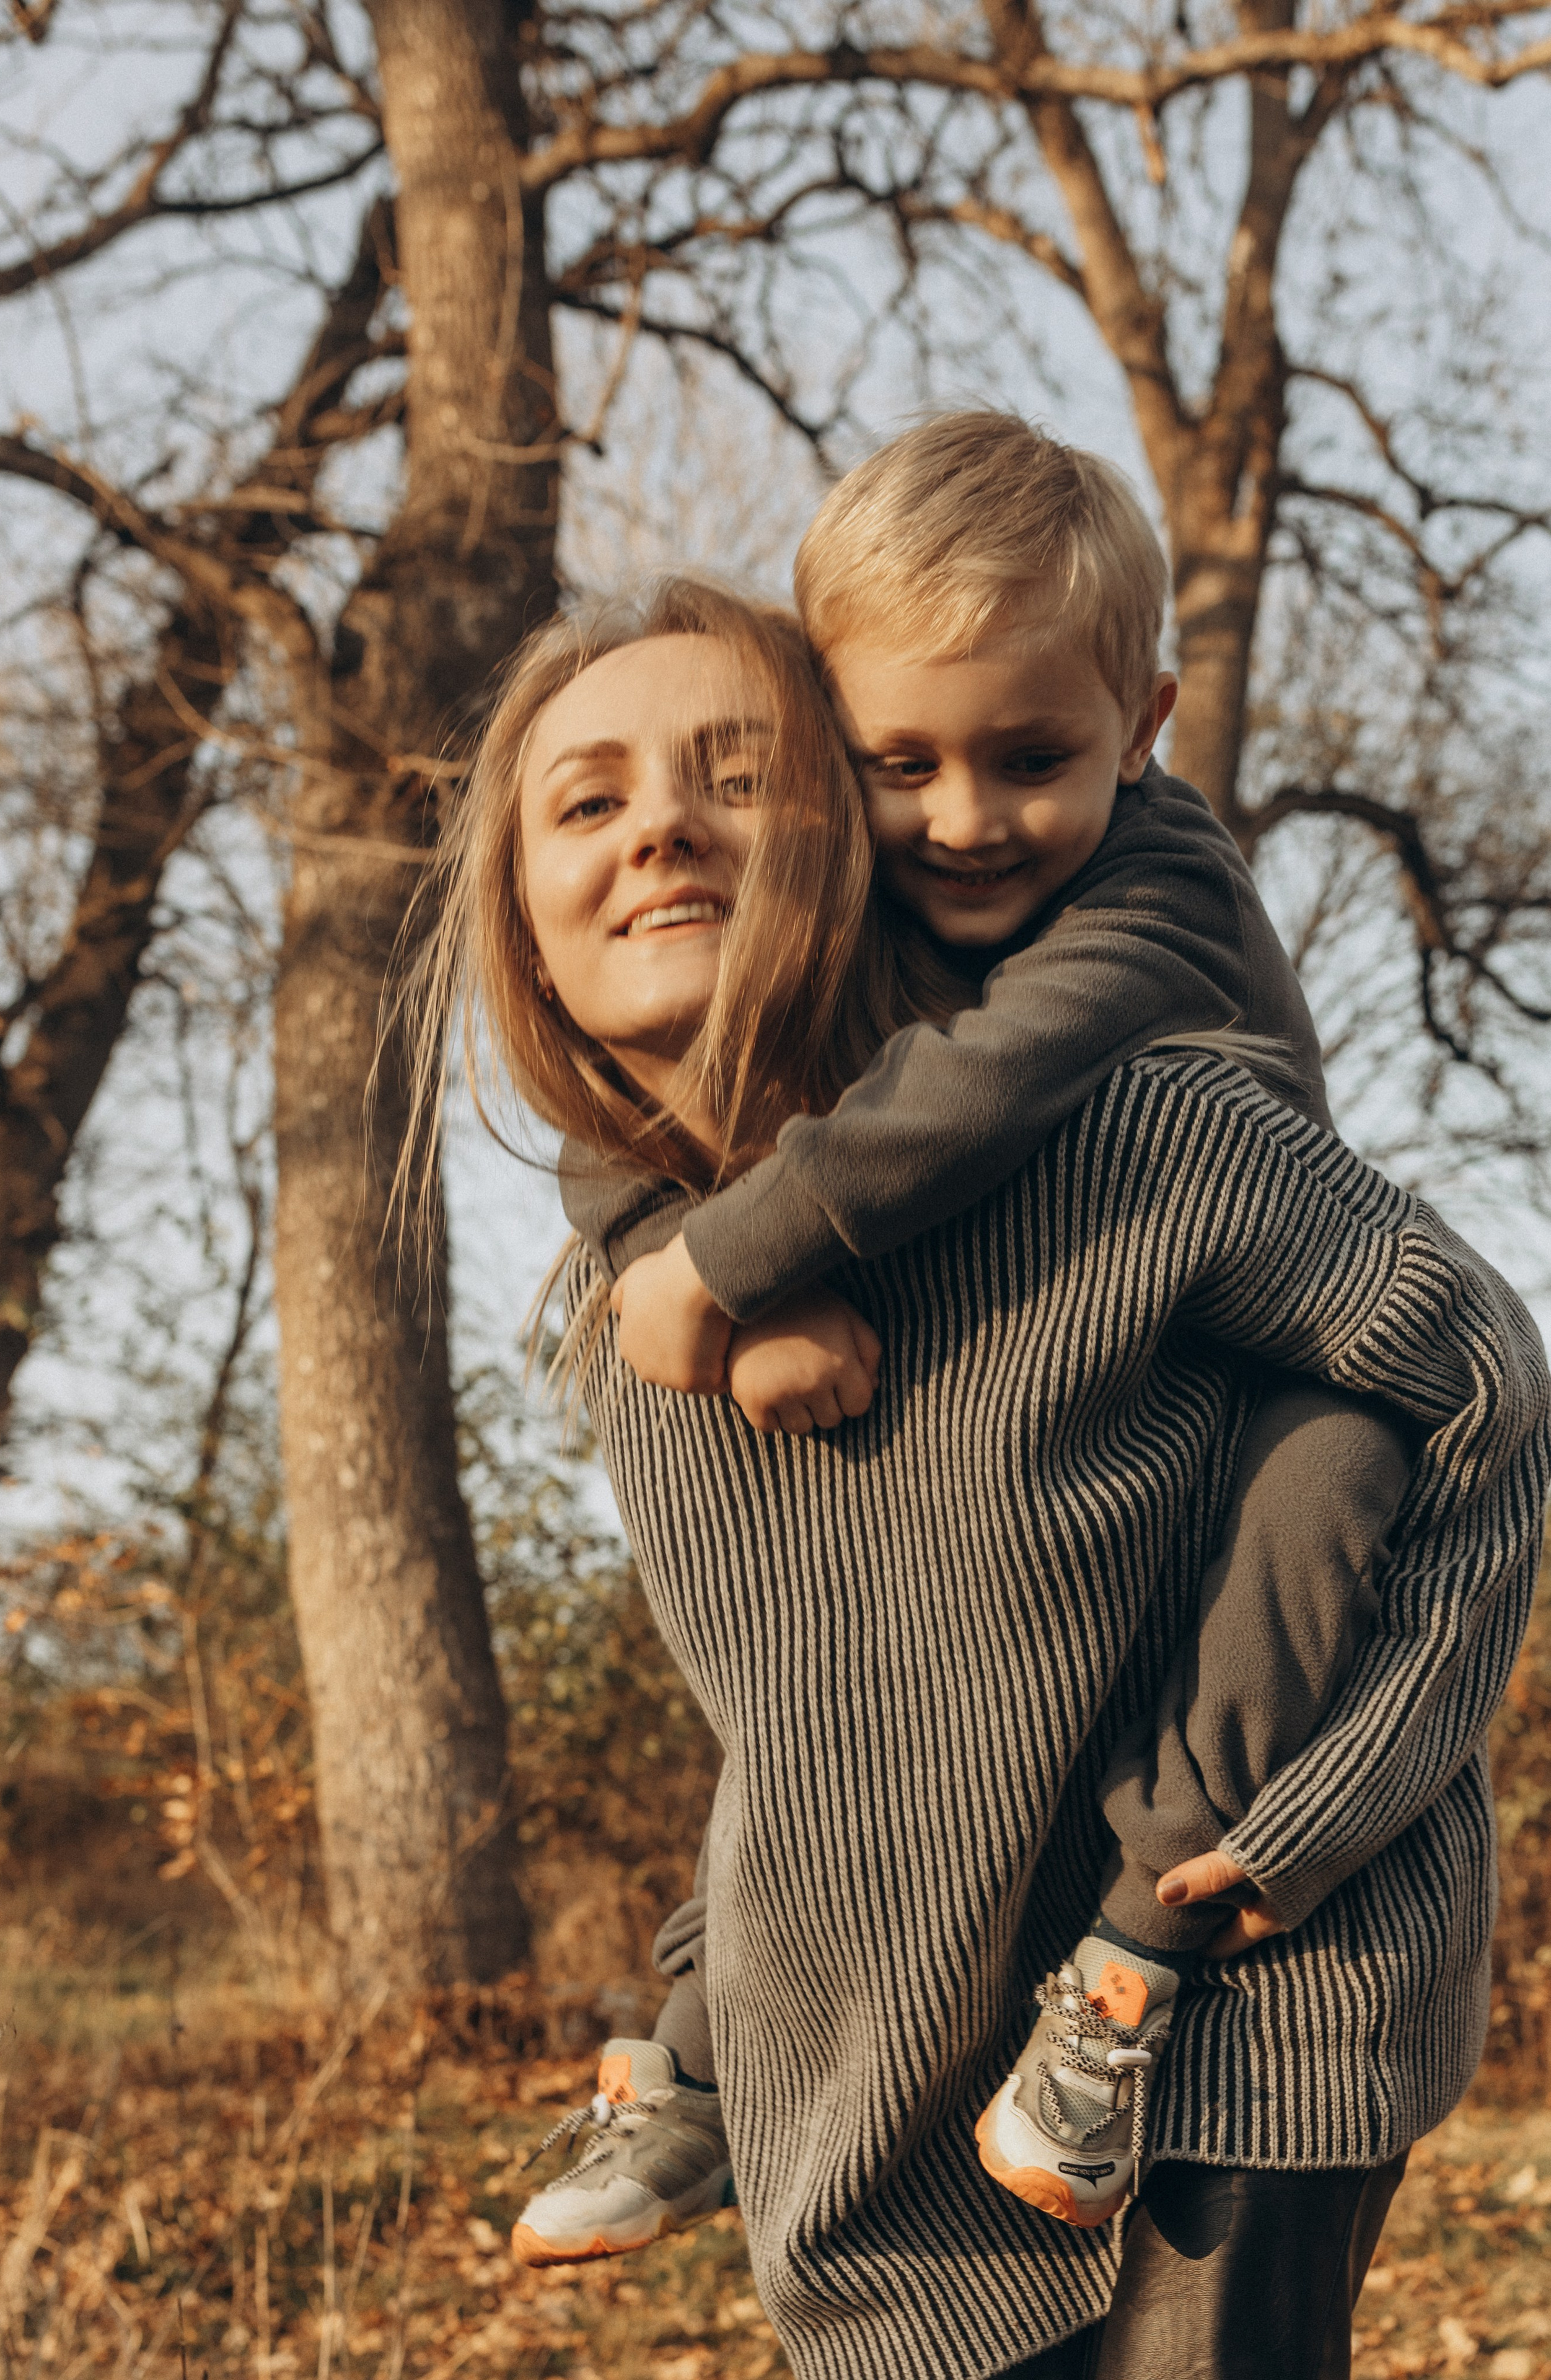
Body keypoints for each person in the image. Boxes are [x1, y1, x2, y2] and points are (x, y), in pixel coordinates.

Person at [397, 574, 1549, 2379]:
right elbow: (816, 1722)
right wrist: (712, 2012)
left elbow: (1484, 1392)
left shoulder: (1132, 1133)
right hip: (905, 2087)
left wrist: (1323, 1813)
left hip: (1242, 2023)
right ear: (523, 921)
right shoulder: (642, 1326)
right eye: (588, 799)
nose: (661, 829)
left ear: (845, 842)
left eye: (734, 776)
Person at [551, 415, 1418, 2239]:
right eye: (901, 764)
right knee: (830, 1646)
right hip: (1039, 1417)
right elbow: (645, 1109)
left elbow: (985, 1084)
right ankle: (709, 2044)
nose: (962, 820)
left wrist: (734, 1259)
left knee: (1335, 1472)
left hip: (1253, 1363)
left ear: (1145, 726)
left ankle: (1134, 1955)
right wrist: (678, 1250)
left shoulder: (1155, 887)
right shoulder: (863, 889)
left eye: (1032, 760)